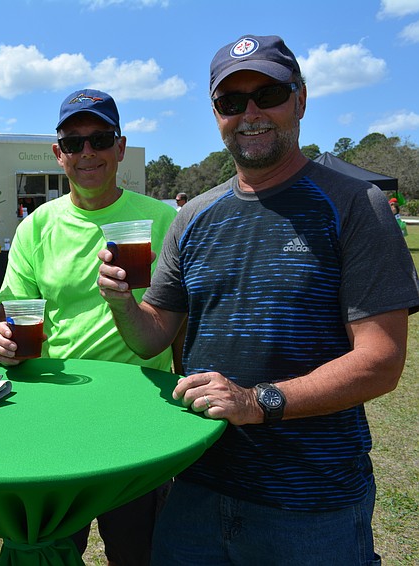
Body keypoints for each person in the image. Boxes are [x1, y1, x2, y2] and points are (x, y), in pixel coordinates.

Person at [97, 34, 419, 565]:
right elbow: (152, 333)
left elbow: (381, 362)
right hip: (197, 487)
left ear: (301, 99)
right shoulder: (194, 215)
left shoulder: (353, 205)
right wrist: (122, 303)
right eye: (231, 102)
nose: (250, 113)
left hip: (310, 505)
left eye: (267, 94)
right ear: (216, 113)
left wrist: (255, 401)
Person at [0, 88, 179, 565]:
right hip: (58, 413)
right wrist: (7, 344)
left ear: (120, 147)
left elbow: (184, 324)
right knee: (51, 546)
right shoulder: (36, 226)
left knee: (138, 549)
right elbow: (15, 315)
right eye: (73, 144)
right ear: (59, 154)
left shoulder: (163, 219)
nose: (86, 153)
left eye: (99, 139)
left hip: (140, 413)